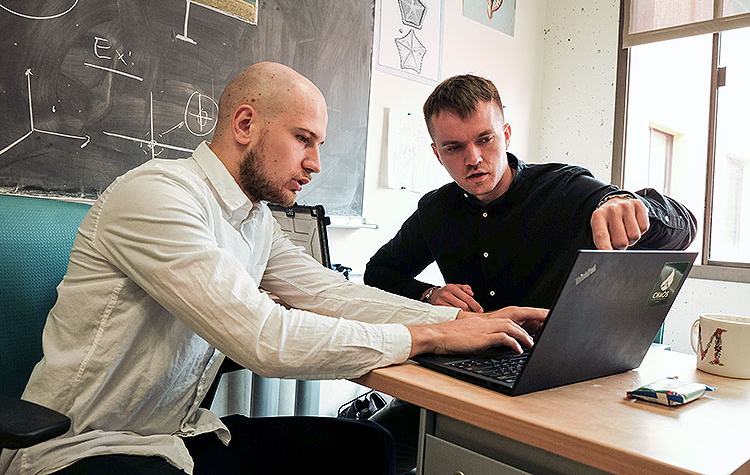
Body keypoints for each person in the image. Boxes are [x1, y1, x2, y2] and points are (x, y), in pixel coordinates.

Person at [0, 63, 548, 475]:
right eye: (303, 140)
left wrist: (469, 326)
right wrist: (429, 336)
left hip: (177, 435)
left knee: (367, 448)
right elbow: (264, 338)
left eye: (319, 145)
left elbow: (329, 293)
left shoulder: (253, 220)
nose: (315, 163)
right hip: (81, 448)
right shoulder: (157, 196)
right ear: (245, 123)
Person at [364, 73, 697, 473]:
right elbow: (379, 271)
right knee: (369, 450)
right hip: (467, 371)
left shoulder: (563, 188)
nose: (473, 158)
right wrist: (427, 295)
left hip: (559, 380)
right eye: (455, 147)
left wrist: (624, 202)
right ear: (437, 153)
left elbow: (684, 227)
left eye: (484, 139)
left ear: (505, 133)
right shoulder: (435, 210)